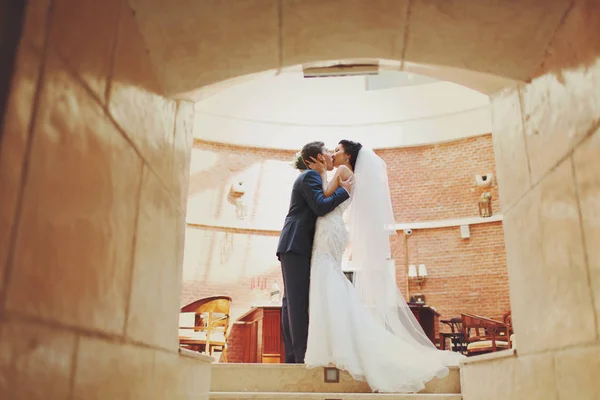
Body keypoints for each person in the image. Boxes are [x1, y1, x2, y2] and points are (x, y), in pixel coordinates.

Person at [303, 140, 465, 393]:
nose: (333, 154)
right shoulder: (349, 174)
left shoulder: (343, 172)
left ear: (348, 155)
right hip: (332, 229)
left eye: (337, 150)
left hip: (328, 228)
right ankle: (338, 344)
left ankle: (336, 346)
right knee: (330, 281)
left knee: (327, 278)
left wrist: (322, 172)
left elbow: (323, 198)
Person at [276, 141, 353, 364]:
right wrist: (344, 192)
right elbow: (320, 206)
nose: (331, 155)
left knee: (291, 301)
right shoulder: (310, 176)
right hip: (296, 243)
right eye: (328, 152)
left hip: (296, 245)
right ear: (320, 158)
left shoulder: (317, 177)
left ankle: (293, 356)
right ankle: (299, 358)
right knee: (297, 303)